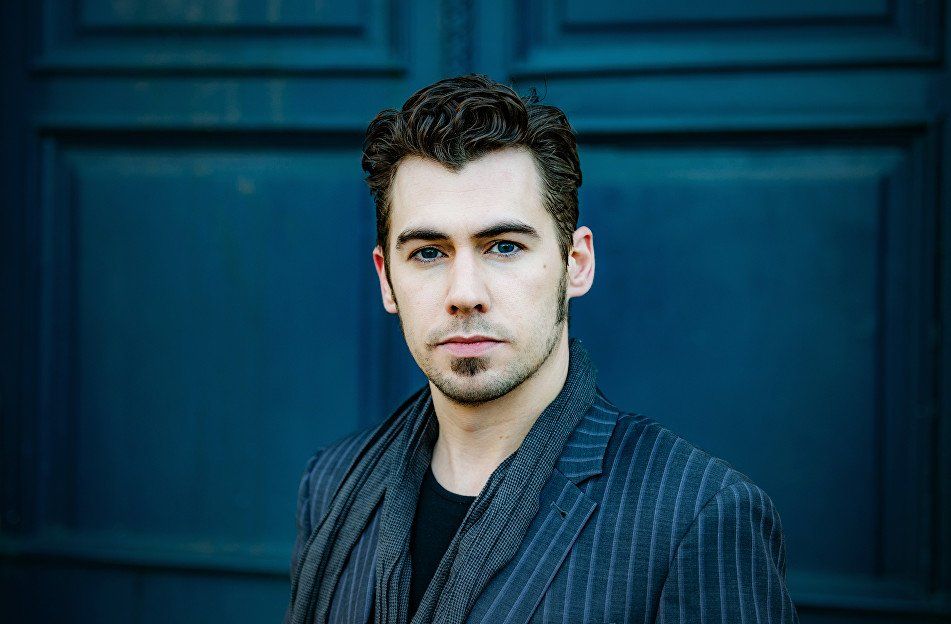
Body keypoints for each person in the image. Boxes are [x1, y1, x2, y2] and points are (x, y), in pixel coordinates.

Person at [284, 74, 799, 624]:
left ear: (576, 264)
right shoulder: (333, 482)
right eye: (429, 253)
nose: (465, 294)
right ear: (387, 280)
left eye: (504, 247)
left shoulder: (697, 516)